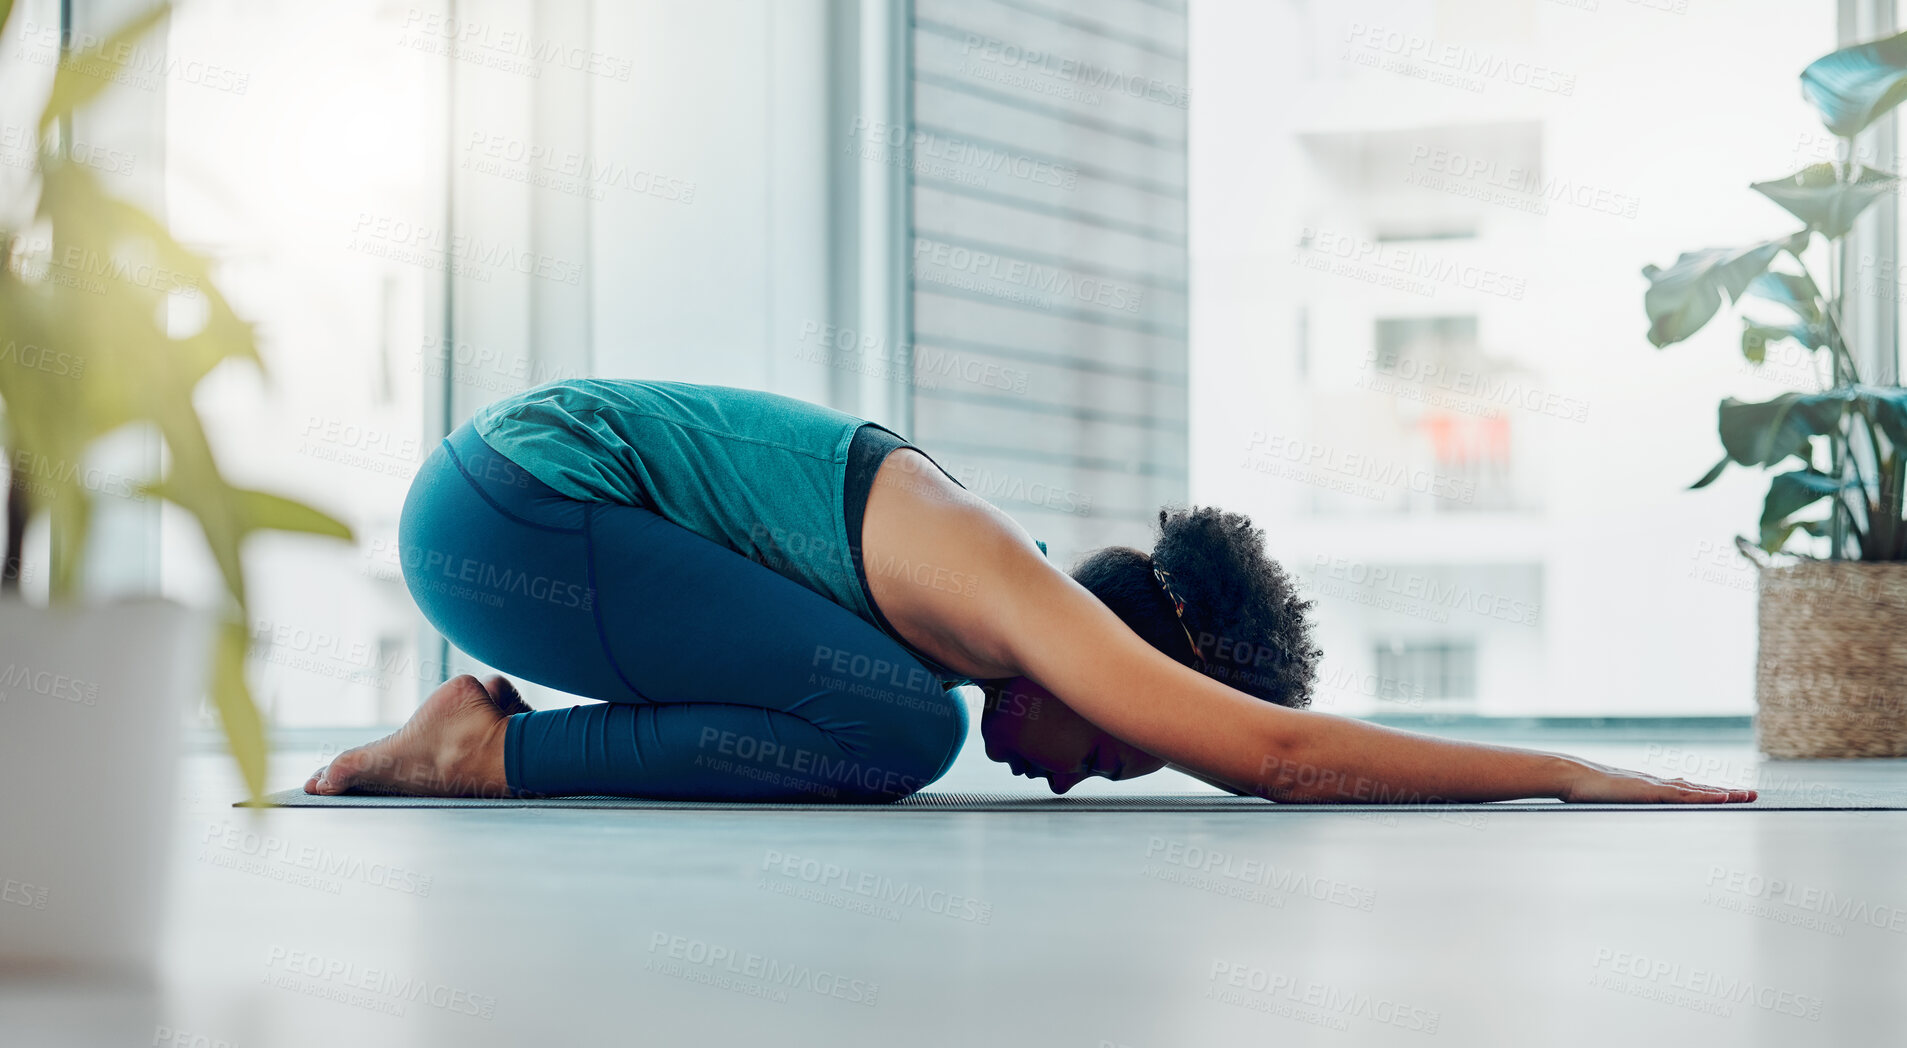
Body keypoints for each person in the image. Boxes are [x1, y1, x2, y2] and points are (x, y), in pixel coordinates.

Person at [307, 379, 1754, 805]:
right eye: (1120, 752)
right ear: (1114, 662)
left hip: (519, 510)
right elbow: (1279, 758)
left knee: (889, 718)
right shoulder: (1011, 590)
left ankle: (485, 741)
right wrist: (1558, 770)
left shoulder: (964, 586)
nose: (1071, 783)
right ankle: (482, 751)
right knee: (902, 732)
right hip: (514, 506)